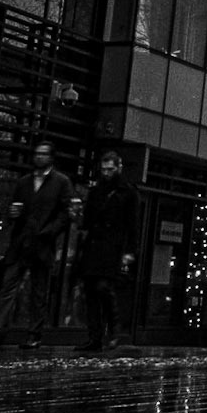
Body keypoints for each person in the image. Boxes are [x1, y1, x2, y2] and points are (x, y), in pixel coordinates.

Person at [0, 139, 76, 350]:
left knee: (38, 292)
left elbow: (66, 213)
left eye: (43, 154)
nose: (39, 157)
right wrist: (13, 214)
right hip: (21, 242)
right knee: (8, 286)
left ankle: (34, 334)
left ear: (51, 158)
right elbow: (15, 209)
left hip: (42, 243)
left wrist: (50, 231)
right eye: (37, 154)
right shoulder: (24, 182)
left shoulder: (61, 182)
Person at [76, 149, 138, 352]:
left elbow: (132, 224)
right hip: (95, 244)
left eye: (110, 169)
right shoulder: (97, 191)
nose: (106, 173)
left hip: (112, 246)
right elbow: (88, 219)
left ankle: (113, 329)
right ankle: (95, 336)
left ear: (119, 168)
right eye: (104, 169)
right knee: (91, 291)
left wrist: (129, 251)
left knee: (103, 287)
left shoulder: (128, 193)